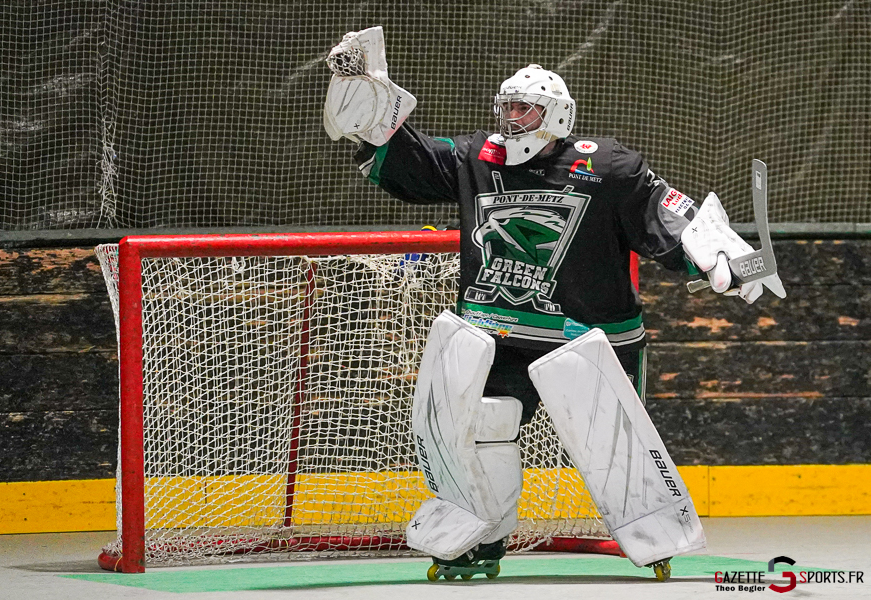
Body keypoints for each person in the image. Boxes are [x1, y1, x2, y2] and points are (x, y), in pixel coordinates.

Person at [323, 27, 780, 581]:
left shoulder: (605, 165)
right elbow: (414, 165)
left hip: (588, 340)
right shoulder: (477, 157)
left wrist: (713, 256)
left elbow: (665, 212)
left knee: (613, 446)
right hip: (500, 334)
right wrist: (375, 123)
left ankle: (657, 535)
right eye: (506, 107)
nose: (511, 118)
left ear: (557, 115)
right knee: (484, 427)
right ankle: (481, 540)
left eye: (526, 109)